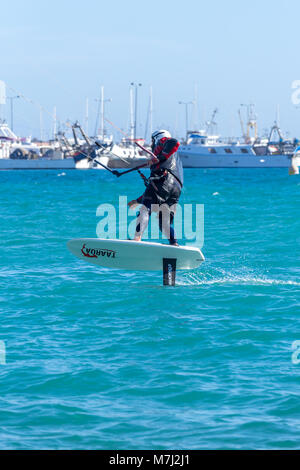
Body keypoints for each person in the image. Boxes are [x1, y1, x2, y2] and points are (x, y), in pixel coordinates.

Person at [128, 129, 183, 246]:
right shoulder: (175, 159)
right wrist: (137, 200)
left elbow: (174, 142)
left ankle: (137, 238)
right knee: (163, 222)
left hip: (164, 181)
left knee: (145, 209)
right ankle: (174, 244)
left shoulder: (164, 142)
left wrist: (160, 157)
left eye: (152, 141)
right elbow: (155, 193)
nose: (152, 144)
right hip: (175, 190)